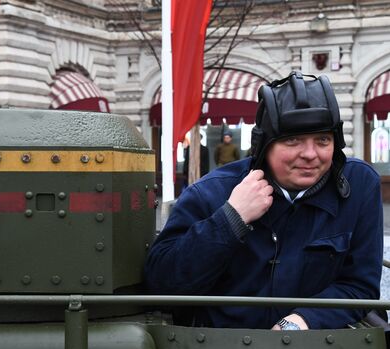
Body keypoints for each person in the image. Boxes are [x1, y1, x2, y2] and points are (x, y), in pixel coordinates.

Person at [145, 71, 383, 330]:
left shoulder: (359, 185)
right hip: (220, 344)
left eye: (323, 140)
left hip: (318, 343)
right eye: (293, 140)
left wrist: (303, 320)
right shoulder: (211, 193)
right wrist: (230, 219)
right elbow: (163, 283)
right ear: (263, 146)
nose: (310, 154)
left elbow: (360, 284)